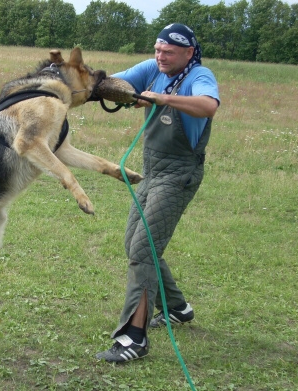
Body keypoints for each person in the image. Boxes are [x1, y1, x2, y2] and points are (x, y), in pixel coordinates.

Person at [96, 23, 220, 363]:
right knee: (134, 244)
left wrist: (163, 98)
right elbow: (113, 83)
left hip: (180, 174)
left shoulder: (200, 75)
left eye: (168, 52)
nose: (159, 56)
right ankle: (177, 307)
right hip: (153, 171)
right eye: (157, 49)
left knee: (143, 249)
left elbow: (208, 106)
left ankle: (133, 339)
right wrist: (108, 90)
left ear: (189, 53)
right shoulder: (154, 68)